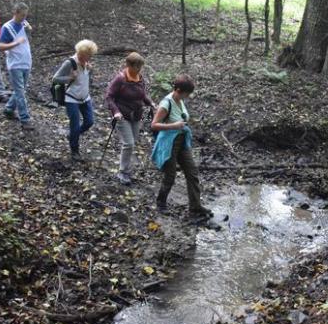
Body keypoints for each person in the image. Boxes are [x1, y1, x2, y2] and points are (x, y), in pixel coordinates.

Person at [151, 74, 213, 219]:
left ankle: (195, 206)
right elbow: (153, 125)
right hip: (168, 143)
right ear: (178, 90)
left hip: (182, 141)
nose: (187, 96)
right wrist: (174, 125)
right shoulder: (166, 103)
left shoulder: (180, 100)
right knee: (170, 175)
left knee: (192, 172)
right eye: (186, 93)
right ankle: (161, 203)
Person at [104, 52, 155, 184]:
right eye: (137, 66)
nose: (139, 69)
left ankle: (127, 169)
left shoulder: (139, 78)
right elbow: (109, 97)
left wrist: (151, 103)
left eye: (140, 66)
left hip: (137, 115)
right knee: (129, 143)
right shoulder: (120, 79)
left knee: (131, 143)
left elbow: (143, 95)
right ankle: (123, 172)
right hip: (122, 116)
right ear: (129, 65)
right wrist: (115, 112)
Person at [53, 40, 99, 161]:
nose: (89, 58)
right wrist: (70, 77)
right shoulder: (70, 63)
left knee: (89, 122)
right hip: (71, 98)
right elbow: (55, 78)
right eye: (88, 56)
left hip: (85, 98)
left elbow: (87, 79)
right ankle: (74, 150)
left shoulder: (86, 62)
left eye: (90, 56)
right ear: (81, 53)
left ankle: (73, 135)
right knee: (74, 125)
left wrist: (90, 70)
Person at [0, 2, 34, 130]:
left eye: (26, 15)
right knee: (20, 92)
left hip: (26, 62)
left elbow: (25, 40)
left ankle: (8, 109)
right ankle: (25, 119)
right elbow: (1, 46)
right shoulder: (7, 27)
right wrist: (16, 43)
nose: (24, 17)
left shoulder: (24, 24)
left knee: (20, 90)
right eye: (22, 15)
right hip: (15, 64)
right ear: (16, 13)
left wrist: (29, 31)